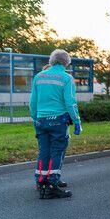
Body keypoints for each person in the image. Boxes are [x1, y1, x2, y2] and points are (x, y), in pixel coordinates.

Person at [30, 50, 82, 199]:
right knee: (57, 152)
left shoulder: (38, 77)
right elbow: (70, 103)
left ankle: (41, 181)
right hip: (58, 121)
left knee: (44, 151)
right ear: (67, 62)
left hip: (41, 120)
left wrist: (35, 119)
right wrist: (77, 121)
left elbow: (33, 102)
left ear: (51, 60)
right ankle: (53, 185)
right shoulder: (66, 78)